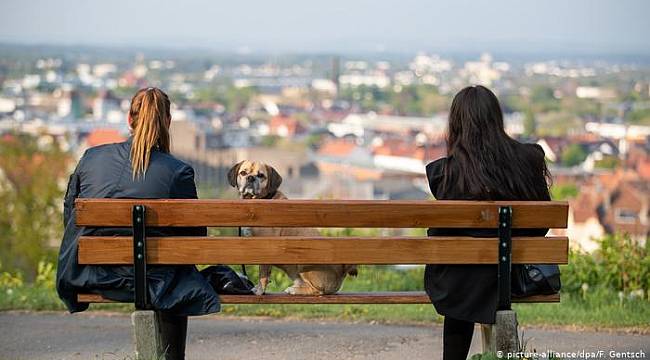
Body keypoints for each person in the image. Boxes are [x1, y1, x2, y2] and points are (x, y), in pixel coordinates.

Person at [56, 87, 220, 360]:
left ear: (129, 120)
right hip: (154, 281)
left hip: (90, 275)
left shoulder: (91, 158)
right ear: (167, 122)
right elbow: (194, 239)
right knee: (177, 273)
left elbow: (69, 217)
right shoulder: (178, 171)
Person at [424, 85, 551, 360]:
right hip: (511, 278)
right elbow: (540, 226)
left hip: (458, 283)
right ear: (496, 118)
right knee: (475, 272)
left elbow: (440, 232)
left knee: (462, 275)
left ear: (456, 123)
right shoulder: (528, 160)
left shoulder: (444, 173)